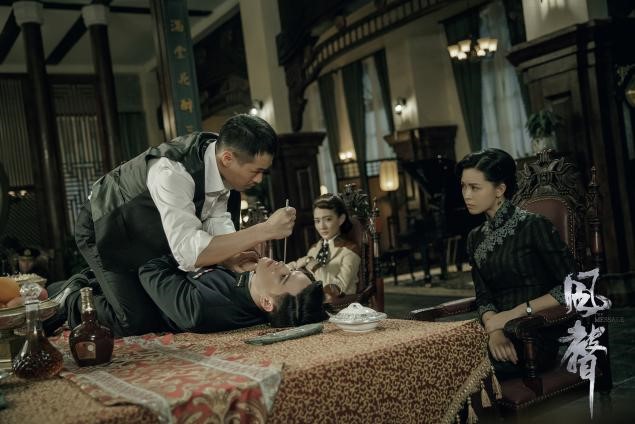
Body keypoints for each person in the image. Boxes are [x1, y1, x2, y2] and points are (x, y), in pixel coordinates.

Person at [71, 114, 296, 336]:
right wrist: (265, 230)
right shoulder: (173, 173)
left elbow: (214, 217)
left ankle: (105, 285)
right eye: (255, 171)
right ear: (227, 158)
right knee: (132, 322)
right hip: (107, 227)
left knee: (155, 313)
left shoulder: (220, 157)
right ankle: (69, 298)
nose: (259, 180)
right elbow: (190, 254)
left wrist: (231, 256)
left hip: (152, 234)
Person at [457, 148, 575, 380]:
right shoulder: (474, 237)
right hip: (495, 334)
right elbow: (484, 296)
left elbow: (573, 287)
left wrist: (513, 314)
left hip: (534, 334)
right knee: (442, 361)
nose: (466, 195)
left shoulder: (534, 226)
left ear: (500, 189)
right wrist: (495, 330)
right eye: (463, 186)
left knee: (460, 371)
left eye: (474, 187)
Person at [288, 194, 360, 299]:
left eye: (328, 219)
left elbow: (338, 290)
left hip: (341, 305)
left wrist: (313, 264)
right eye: (317, 221)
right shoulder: (314, 249)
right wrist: (288, 269)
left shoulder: (350, 250)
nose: (322, 226)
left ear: (341, 219)